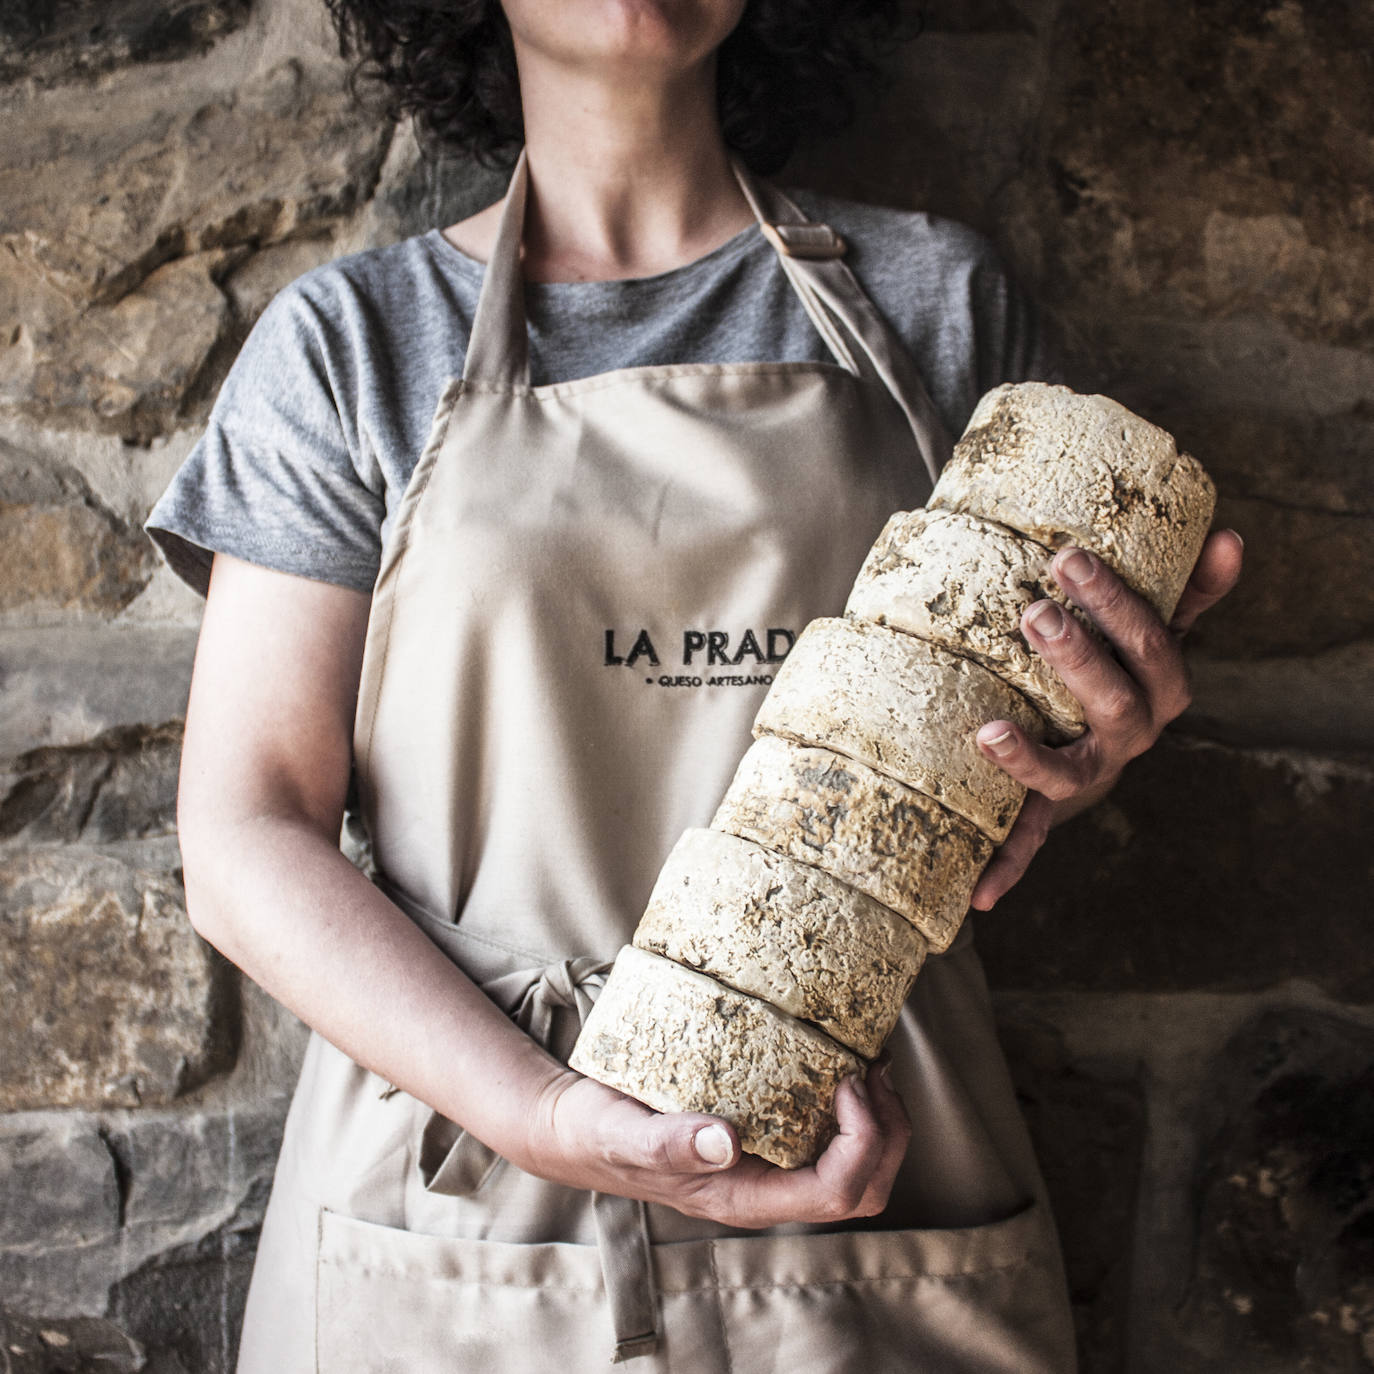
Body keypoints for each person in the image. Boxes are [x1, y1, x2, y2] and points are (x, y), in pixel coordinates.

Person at [148, 1, 1243, 1368]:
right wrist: (542, 1108)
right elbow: (245, 831)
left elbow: (993, 739)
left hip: (872, 1155)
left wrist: (1084, 748)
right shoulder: (351, 345)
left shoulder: (936, 305)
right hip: (460, 1185)